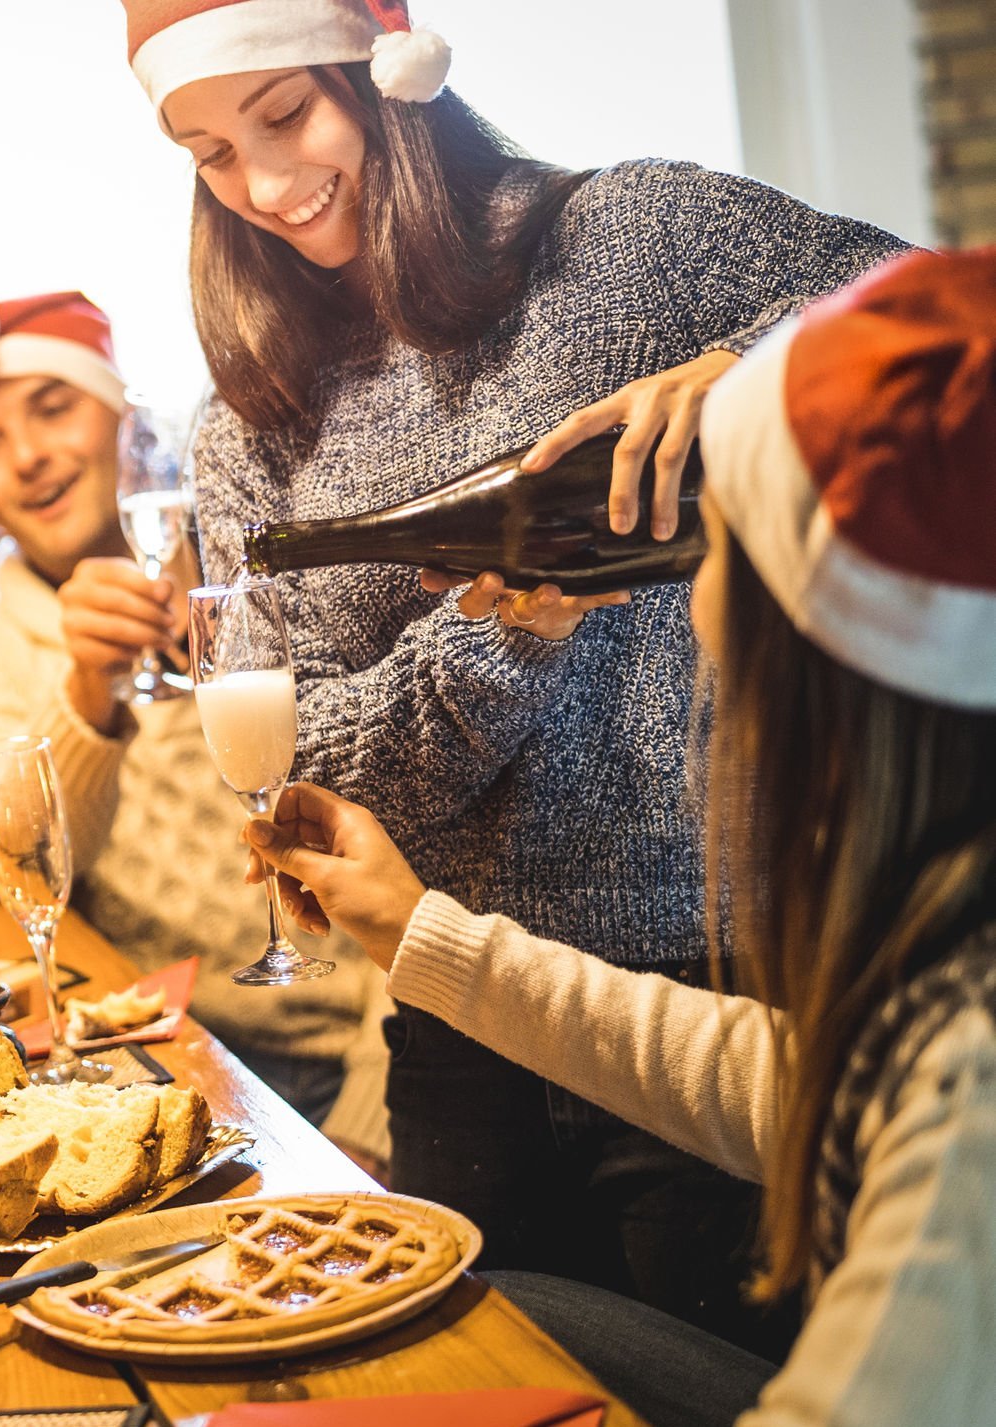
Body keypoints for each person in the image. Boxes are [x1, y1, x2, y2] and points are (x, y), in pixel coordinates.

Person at [117, 0, 910, 1348]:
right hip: (451, 1014)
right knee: (483, 1378)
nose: (261, 187)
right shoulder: (253, 418)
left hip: (708, 994)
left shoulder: (624, 237)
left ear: (383, 74)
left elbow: (918, 304)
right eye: (206, 154)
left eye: (283, 116)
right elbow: (299, 764)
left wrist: (736, 369)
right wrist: (498, 635)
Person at [244, 246, 996, 1427]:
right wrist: (413, 926)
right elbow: (787, 1087)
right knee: (502, 1314)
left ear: (830, 650)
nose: (683, 596)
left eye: (717, 544)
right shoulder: (945, 981)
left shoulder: (975, 1097)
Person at [0, 292, 389, 1163]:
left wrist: (368, 1124)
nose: (28, 456)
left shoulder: (268, 576)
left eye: (53, 407)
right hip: (184, 1055)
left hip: (386, 1041)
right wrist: (86, 691)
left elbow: (428, 829)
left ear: (126, 419)